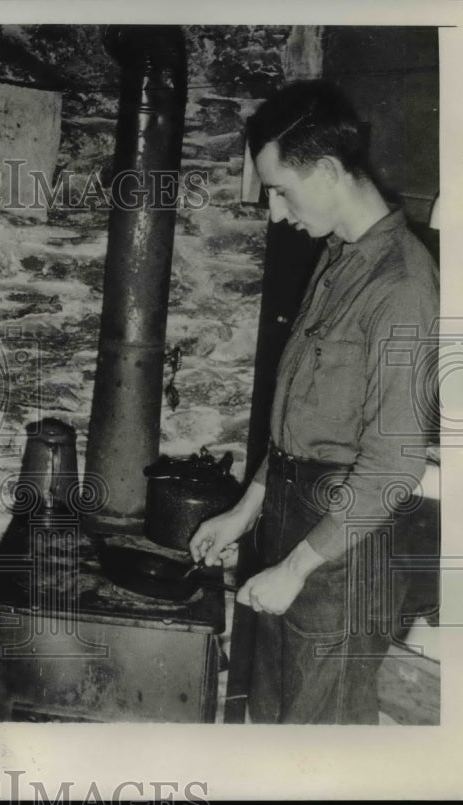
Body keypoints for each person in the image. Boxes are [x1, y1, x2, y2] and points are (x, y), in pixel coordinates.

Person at [190, 80, 439, 724]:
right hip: (293, 520)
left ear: (328, 170)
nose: (275, 211)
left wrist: (296, 569)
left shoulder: (404, 285)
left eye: (281, 189)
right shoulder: (337, 257)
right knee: (274, 722)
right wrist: (247, 510)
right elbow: (302, 421)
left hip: (344, 551)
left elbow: (393, 468)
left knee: (318, 746)